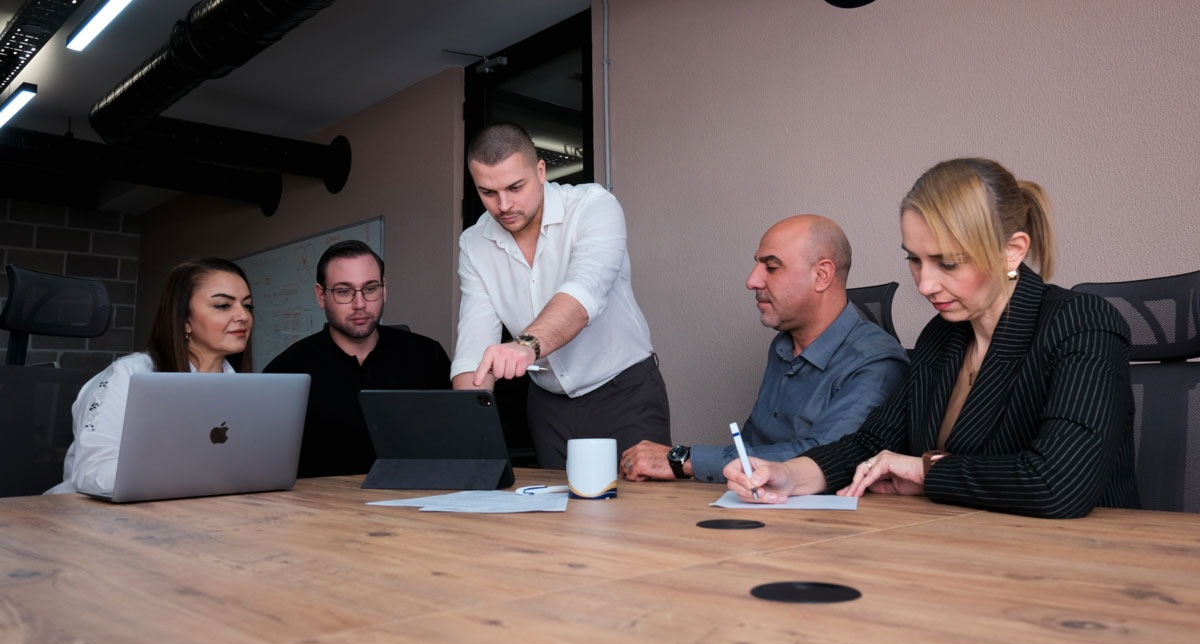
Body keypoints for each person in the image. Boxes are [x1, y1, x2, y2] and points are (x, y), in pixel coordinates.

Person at [725, 158, 1140, 518]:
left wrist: (925, 470)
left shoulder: (1083, 323)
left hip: (1085, 563)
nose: (924, 285)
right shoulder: (942, 336)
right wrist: (790, 475)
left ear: (1012, 250)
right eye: (915, 259)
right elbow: (873, 442)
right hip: (960, 546)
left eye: (948, 262)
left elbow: (1058, 482)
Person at [621, 215, 909, 483]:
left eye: (771, 267)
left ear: (822, 275)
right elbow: (753, 445)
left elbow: (825, 456)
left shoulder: (876, 362)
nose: (752, 281)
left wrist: (684, 460)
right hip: (760, 500)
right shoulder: (784, 344)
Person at [452, 122, 670, 469]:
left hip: (624, 393)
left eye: (515, 187)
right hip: (547, 405)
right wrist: (466, 425)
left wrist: (524, 346)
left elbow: (582, 296)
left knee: (641, 512)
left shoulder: (594, 206)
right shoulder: (473, 243)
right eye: (488, 192)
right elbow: (474, 343)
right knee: (555, 518)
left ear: (540, 171)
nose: (503, 205)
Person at [47, 258, 255, 495]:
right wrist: (190, 479)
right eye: (223, 305)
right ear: (185, 320)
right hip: (101, 517)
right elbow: (93, 472)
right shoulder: (130, 374)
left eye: (248, 306)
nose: (243, 316)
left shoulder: (244, 388)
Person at [264, 240, 450, 477]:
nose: (359, 304)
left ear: (384, 289)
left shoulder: (427, 356)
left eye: (370, 288)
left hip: (411, 503)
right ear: (321, 296)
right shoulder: (286, 372)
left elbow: (455, 443)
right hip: (320, 509)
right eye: (344, 291)